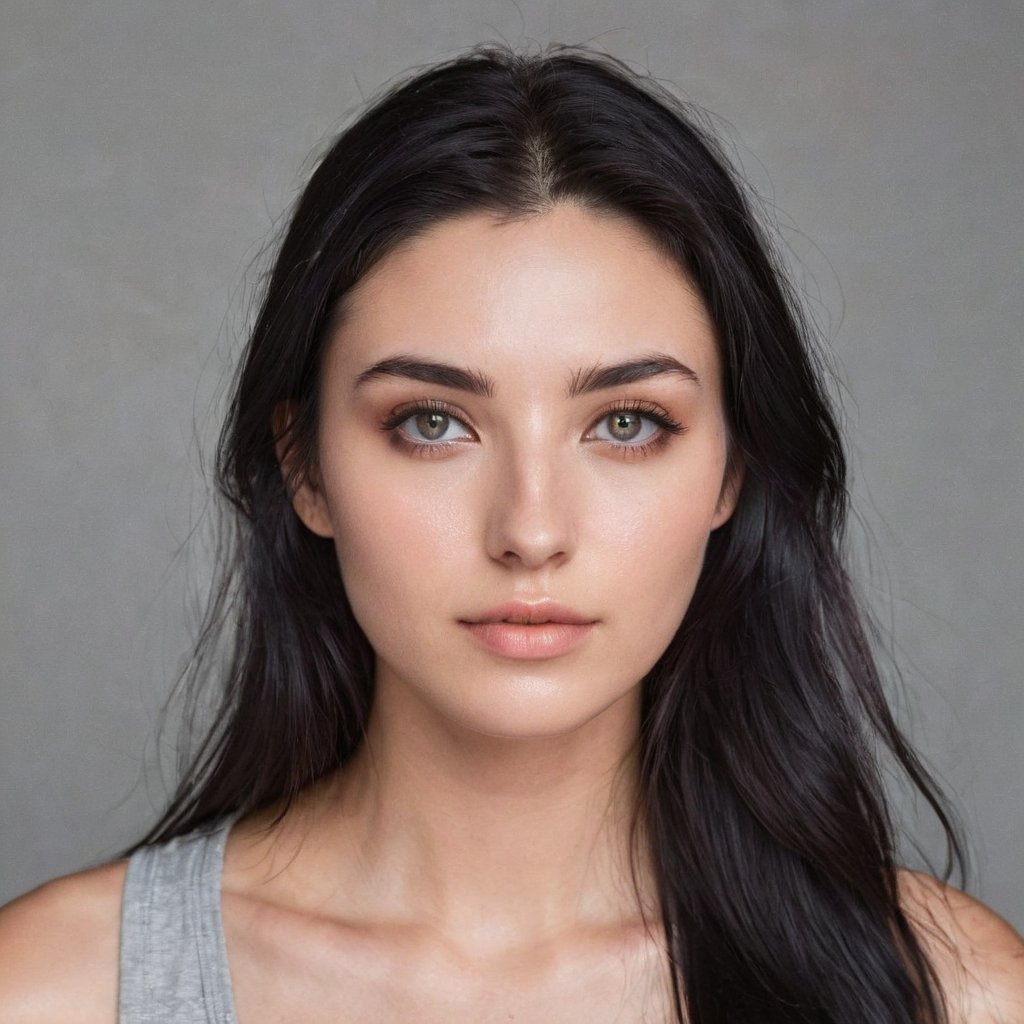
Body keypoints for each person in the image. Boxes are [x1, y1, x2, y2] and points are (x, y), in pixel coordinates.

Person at [0, 41, 1020, 1024]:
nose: (531, 529)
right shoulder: (56, 991)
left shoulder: (951, 993)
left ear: (729, 470)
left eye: (626, 424)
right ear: (304, 468)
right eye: (432, 423)